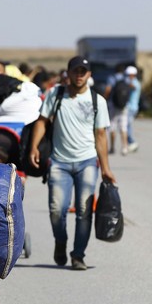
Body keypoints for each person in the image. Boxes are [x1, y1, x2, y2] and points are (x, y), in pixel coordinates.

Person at [29, 56, 116, 271]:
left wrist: (105, 168)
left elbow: (101, 136)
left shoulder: (98, 101)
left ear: (89, 75)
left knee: (84, 210)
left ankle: (78, 255)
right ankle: (61, 241)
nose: (79, 75)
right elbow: (42, 121)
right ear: (67, 73)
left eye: (83, 71)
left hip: (87, 162)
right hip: (59, 162)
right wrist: (34, 147)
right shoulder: (56, 95)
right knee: (57, 210)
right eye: (75, 71)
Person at [125, 65, 141, 152]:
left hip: (131, 108)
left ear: (133, 74)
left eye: (129, 75)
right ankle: (130, 142)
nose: (128, 76)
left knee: (128, 126)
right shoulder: (133, 82)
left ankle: (132, 142)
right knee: (127, 125)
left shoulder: (135, 83)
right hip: (130, 107)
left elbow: (133, 87)